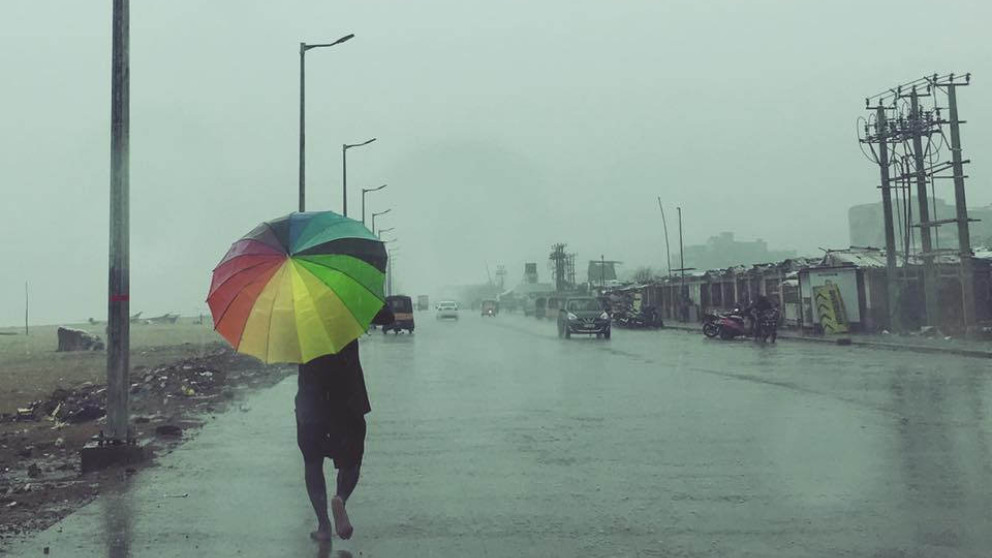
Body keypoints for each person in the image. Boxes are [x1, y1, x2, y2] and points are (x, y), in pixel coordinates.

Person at [297, 306, 394, 542]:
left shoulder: (297, 308)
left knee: (312, 461)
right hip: (347, 394)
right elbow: (387, 317)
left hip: (311, 396)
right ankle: (340, 497)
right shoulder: (345, 302)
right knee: (352, 457)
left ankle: (323, 526)